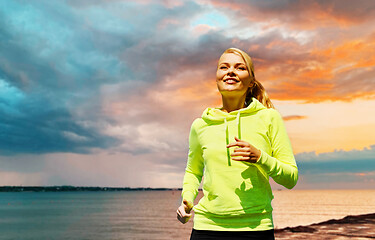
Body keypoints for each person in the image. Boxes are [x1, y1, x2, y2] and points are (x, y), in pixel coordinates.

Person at [176, 47, 298, 240]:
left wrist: (261, 158)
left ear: (251, 82)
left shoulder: (269, 118)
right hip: (207, 228)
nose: (230, 71)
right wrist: (187, 199)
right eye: (224, 67)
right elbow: (193, 171)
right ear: (217, 77)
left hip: (256, 229)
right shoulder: (200, 125)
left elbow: (290, 178)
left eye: (239, 67)